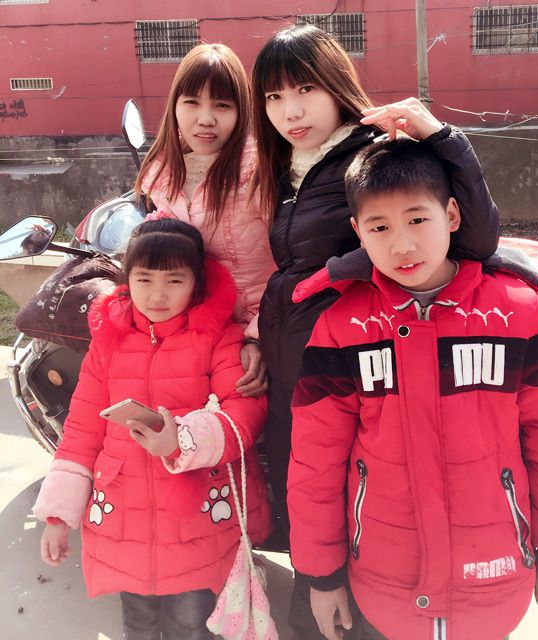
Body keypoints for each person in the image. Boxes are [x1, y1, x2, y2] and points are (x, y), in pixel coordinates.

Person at [287, 137, 538, 640]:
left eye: (417, 219)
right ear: (357, 232)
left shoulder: (520, 314)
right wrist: (321, 575)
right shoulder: (342, 327)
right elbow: (314, 462)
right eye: (380, 227)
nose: (401, 245)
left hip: (495, 572)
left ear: (451, 214)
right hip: (382, 577)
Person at [251, 23, 500, 547]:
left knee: (357, 501)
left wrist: (442, 139)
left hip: (358, 358)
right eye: (274, 97)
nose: (290, 112)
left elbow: (472, 238)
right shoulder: (287, 168)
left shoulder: (375, 155)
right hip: (294, 357)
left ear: (335, 83)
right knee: (306, 494)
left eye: (305, 89)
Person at [33, 218, 272, 640]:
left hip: (198, 519)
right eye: (144, 279)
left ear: (196, 283)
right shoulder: (109, 343)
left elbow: (245, 413)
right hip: (125, 519)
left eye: (174, 280)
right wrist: (57, 514)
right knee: (138, 623)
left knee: (190, 625)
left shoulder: (220, 339)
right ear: (127, 281)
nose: (157, 295)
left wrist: (184, 439)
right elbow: (82, 428)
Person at [135, 43, 276, 397]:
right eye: (192, 102)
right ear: (174, 106)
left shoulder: (259, 172)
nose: (206, 118)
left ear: (242, 111)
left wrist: (258, 337)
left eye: (222, 105)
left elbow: (295, 263)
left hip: (268, 328)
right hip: (202, 338)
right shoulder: (162, 179)